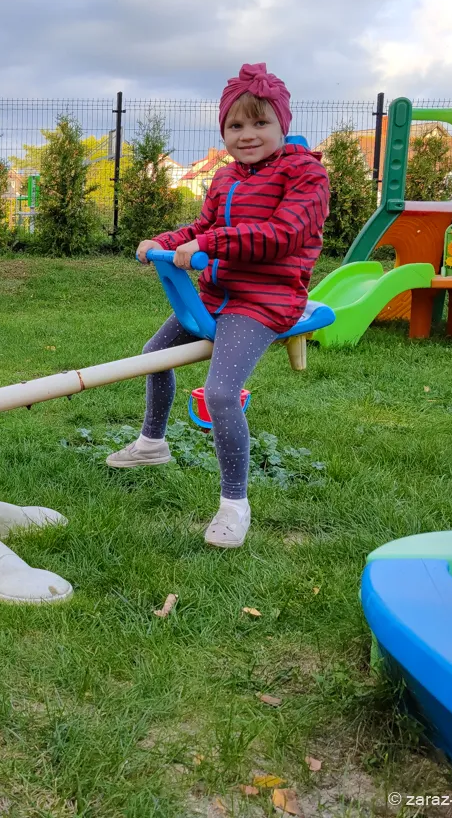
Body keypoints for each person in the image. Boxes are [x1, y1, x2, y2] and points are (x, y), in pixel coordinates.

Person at [106, 64, 329, 548]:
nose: (247, 135)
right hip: (215, 296)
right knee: (153, 356)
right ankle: (152, 443)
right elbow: (199, 226)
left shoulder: (305, 173)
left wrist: (214, 243)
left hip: (264, 301)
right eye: (235, 125)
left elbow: (283, 234)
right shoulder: (225, 177)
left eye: (259, 123)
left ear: (282, 124)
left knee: (223, 394)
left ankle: (234, 505)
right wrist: (163, 240)